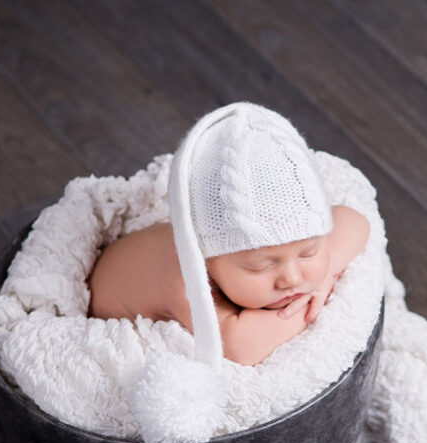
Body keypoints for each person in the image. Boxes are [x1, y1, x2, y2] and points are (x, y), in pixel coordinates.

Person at [87, 102, 370, 366]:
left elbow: (355, 222)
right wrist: (307, 306)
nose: (293, 279)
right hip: (108, 301)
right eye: (262, 265)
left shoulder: (280, 232)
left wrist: (328, 270)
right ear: (206, 258)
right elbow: (240, 346)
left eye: (309, 252)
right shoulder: (186, 280)